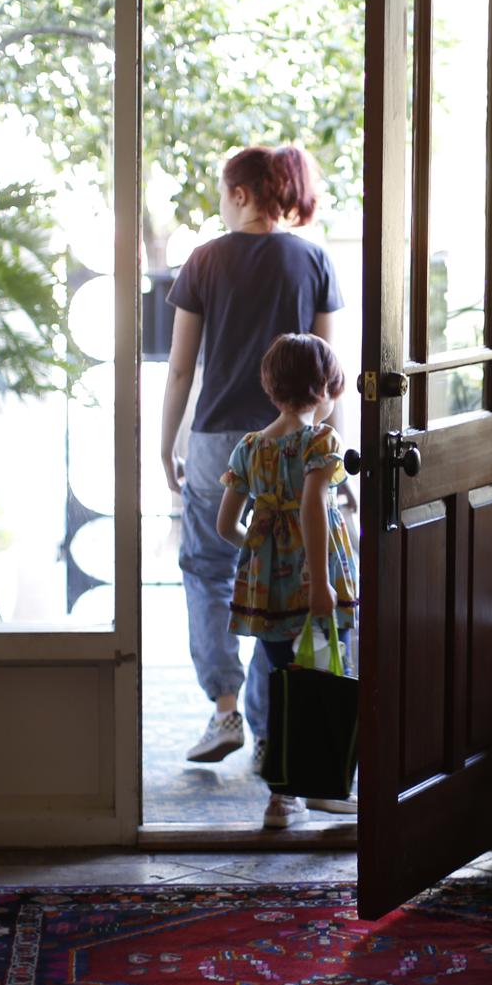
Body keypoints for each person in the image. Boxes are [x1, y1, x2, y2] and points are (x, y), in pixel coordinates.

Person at [161, 145, 341, 766]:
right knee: (285, 583)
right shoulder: (314, 258)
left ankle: (224, 711)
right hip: (292, 438)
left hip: (217, 443)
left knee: (208, 570)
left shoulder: (204, 259)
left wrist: (167, 445)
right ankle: (270, 735)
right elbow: (328, 375)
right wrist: (330, 458)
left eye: (220, 190)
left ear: (240, 193)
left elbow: (182, 369)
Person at [215, 333, 360, 829]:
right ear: (324, 389)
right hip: (312, 587)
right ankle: (324, 786)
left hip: (271, 596)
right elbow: (314, 506)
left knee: (284, 686)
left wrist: (258, 551)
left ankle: (282, 799)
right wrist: (319, 582)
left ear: (271, 388)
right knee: (326, 680)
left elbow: (225, 525)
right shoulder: (320, 441)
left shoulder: (250, 448)